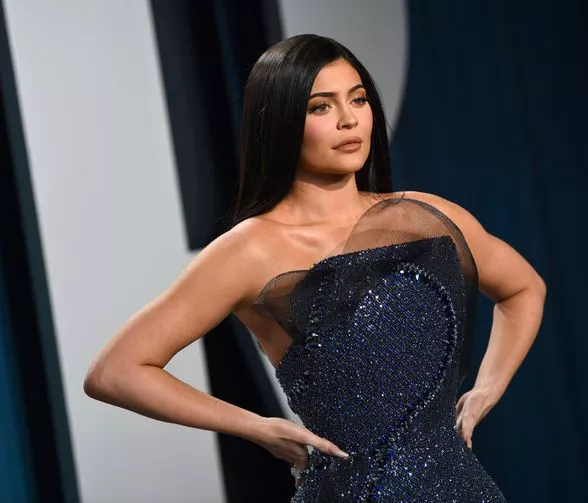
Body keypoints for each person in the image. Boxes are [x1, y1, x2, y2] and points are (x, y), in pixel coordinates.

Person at [84, 34, 546, 501]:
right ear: (281, 122)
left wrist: (487, 388)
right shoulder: (251, 249)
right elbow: (115, 371)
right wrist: (257, 427)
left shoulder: (427, 217)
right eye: (321, 107)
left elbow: (523, 288)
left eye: (358, 99)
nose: (349, 119)